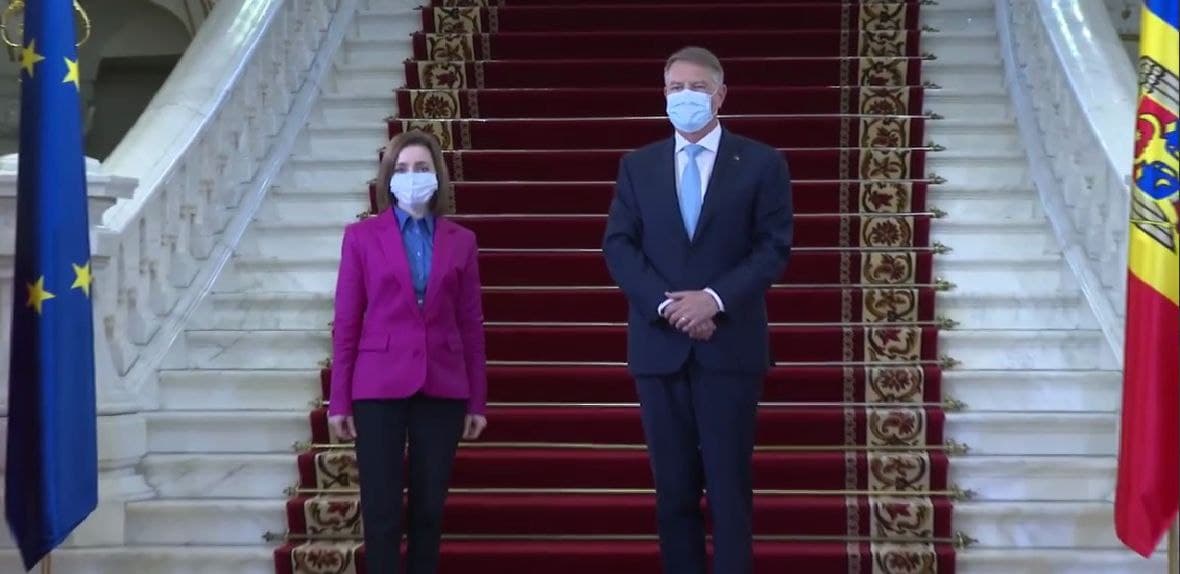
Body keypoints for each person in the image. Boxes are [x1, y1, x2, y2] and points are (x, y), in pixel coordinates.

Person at [601, 46, 794, 574]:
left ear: (720, 95)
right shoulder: (637, 167)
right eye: (675, 88)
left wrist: (713, 299)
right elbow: (619, 246)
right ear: (663, 95)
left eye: (697, 88)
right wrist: (669, 306)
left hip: (729, 348)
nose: (685, 97)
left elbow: (773, 247)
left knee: (729, 489)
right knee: (674, 492)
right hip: (659, 349)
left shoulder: (761, 163)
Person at [327, 130, 489, 574]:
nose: (411, 176)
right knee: (381, 513)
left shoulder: (461, 240)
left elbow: (471, 324)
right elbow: (347, 322)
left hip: (443, 385)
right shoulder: (361, 237)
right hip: (378, 387)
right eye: (401, 169)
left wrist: (477, 399)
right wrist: (339, 399)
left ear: (437, 176)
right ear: (388, 178)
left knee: (428, 512)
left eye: (421, 168)